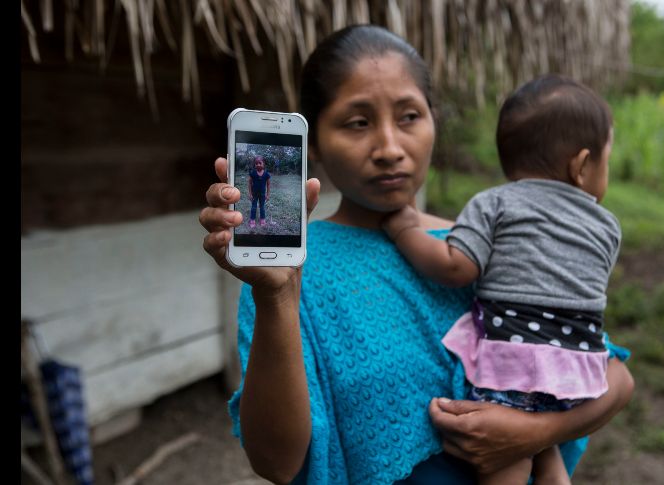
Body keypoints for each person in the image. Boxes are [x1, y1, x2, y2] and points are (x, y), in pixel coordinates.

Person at [199, 25, 634, 485]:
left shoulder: (484, 245)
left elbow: (616, 377)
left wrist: (534, 433)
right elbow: (275, 462)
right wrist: (278, 297)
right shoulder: (292, 274)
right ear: (316, 144)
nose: (390, 149)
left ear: (433, 122)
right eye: (358, 122)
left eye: (409, 116)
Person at [381, 74, 622, 484]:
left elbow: (457, 268)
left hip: (516, 365)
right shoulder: (608, 226)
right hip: (580, 372)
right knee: (544, 447)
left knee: (507, 462)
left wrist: (405, 229)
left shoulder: (495, 202)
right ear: (582, 166)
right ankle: (550, 467)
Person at [248, 155, 271, 228]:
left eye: (260, 163)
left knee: (262, 207)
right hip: (254, 194)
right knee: (253, 207)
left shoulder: (266, 174)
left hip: (262, 194)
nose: (258, 165)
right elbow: (249, 183)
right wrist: (250, 194)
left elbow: (268, 185)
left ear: (263, 164)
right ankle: (252, 220)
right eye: (256, 163)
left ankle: (262, 219)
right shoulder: (253, 173)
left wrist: (267, 195)